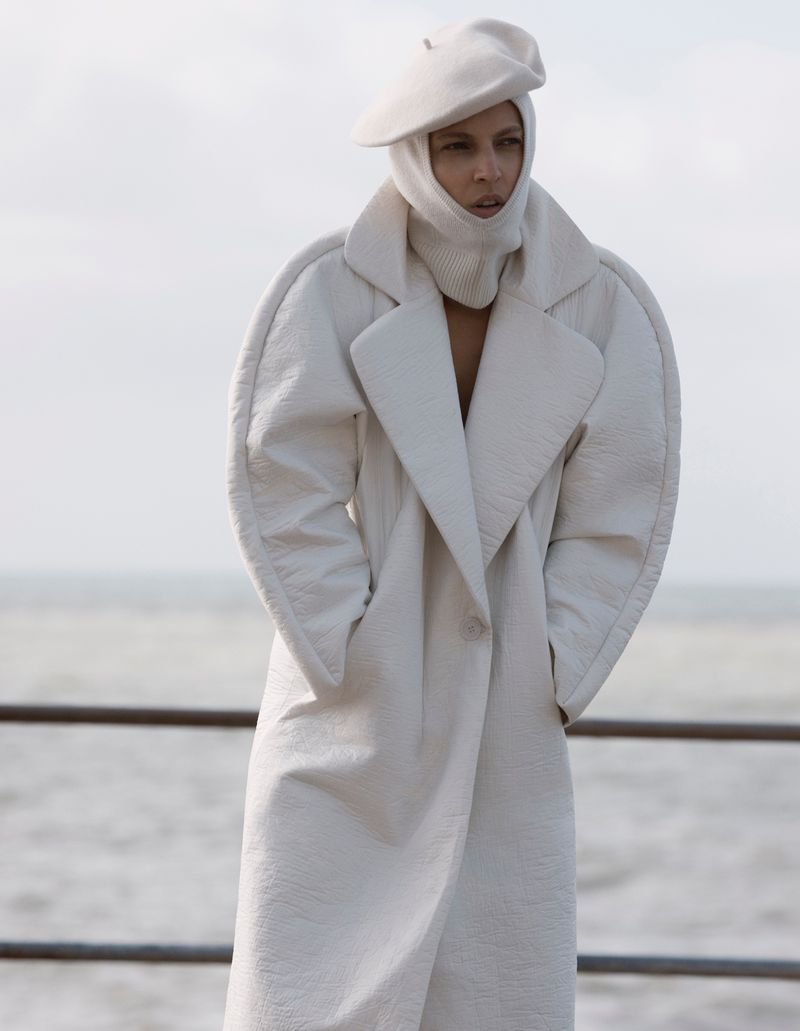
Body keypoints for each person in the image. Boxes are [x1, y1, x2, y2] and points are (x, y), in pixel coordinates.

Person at [223, 18, 680, 1031]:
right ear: (414, 155)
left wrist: (552, 658)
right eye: (459, 145)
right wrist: (351, 641)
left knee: (490, 987)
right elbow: (282, 477)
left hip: (504, 709)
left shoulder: (598, 303)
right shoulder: (331, 290)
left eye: (507, 141)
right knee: (314, 984)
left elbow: (620, 501)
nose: (488, 171)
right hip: (353, 707)